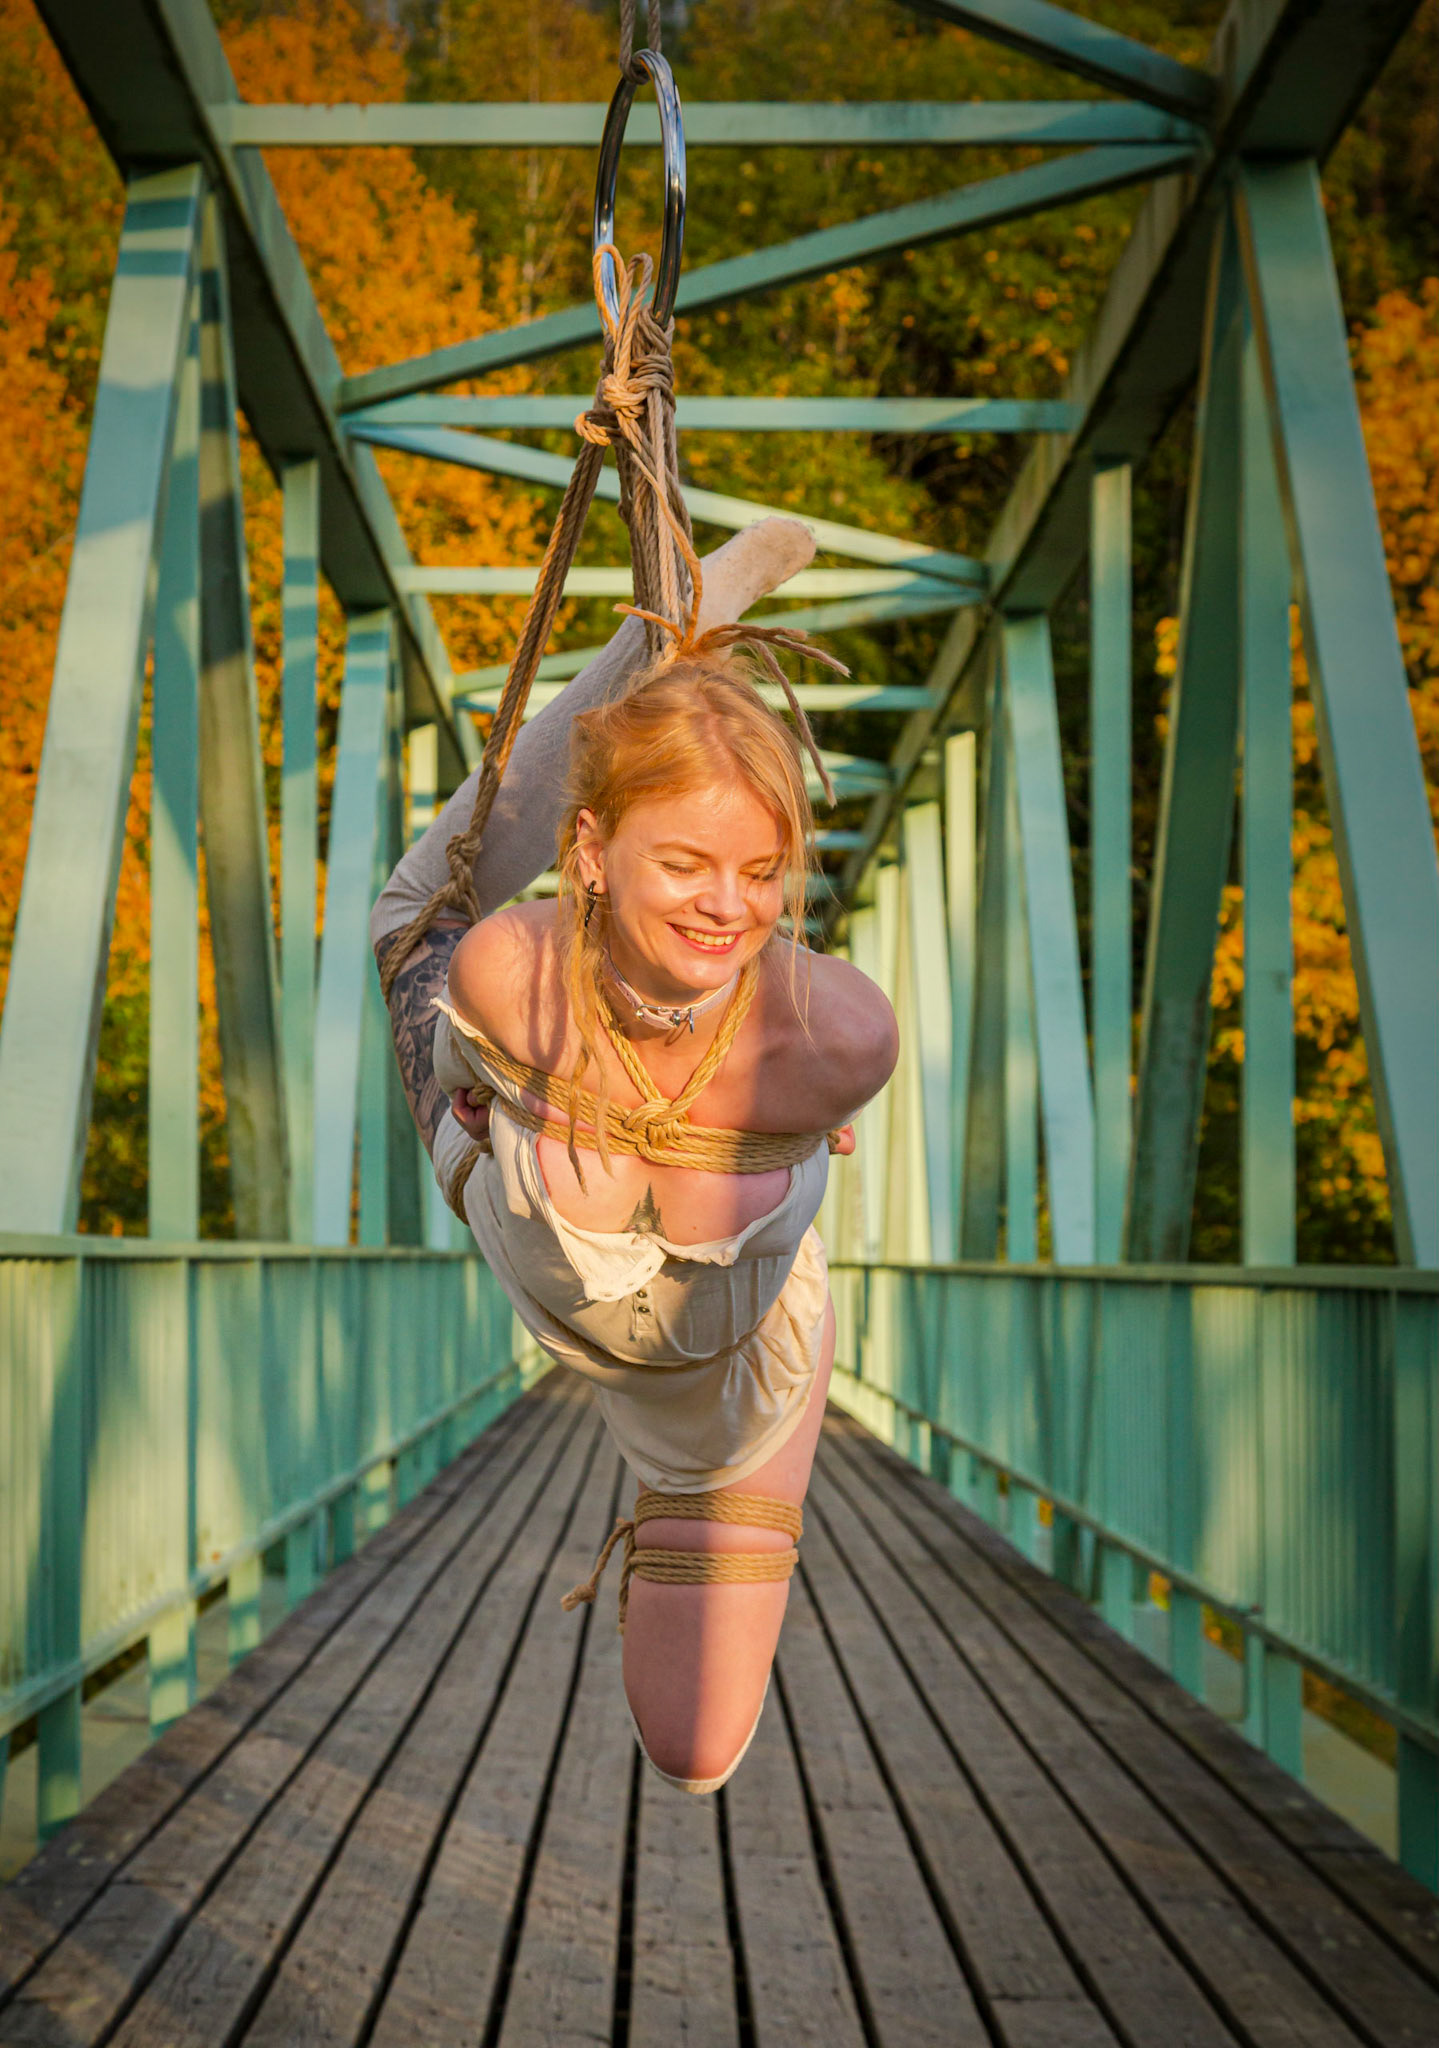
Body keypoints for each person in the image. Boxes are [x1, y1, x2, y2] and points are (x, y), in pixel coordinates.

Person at [371, 518, 897, 1793]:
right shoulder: (516, 971)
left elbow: (735, 935)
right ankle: (680, 616)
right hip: (531, 1198)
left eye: (761, 870)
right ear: (594, 856)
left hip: (733, 1381)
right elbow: (515, 903)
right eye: (686, 862)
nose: (728, 903)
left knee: (695, 1749)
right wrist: (473, 1098)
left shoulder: (836, 1031)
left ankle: (683, 631)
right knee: (416, 917)